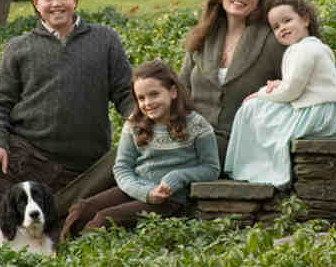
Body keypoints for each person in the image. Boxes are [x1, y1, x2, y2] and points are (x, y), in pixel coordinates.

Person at [0, 0, 134, 226]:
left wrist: (139, 119)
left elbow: (125, 92)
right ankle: (22, 226)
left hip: (83, 167)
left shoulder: (105, 39)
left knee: (95, 206)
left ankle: (47, 217)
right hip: (27, 156)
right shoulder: (19, 48)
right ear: (35, 3)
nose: (56, 4)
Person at [59, 59, 219, 239]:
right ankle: (62, 250)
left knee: (104, 219)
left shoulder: (197, 124)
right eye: (141, 98)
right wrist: (145, 192)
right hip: (137, 189)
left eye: (154, 94)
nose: (148, 103)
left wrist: (178, 177)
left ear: (173, 92)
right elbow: (122, 168)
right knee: (82, 208)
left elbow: (211, 169)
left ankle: (83, 251)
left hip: (169, 199)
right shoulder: (134, 125)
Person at [224, 0, 336, 188]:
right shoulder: (318, 47)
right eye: (276, 27)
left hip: (320, 117)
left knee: (252, 107)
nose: (282, 28)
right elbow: (307, 85)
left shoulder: (301, 50)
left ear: (305, 19)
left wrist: (262, 93)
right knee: (259, 107)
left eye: (287, 20)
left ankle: (249, 167)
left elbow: (290, 93)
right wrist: (279, 85)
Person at [179, 0, 285, 166]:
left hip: (238, 142)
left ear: (259, 0)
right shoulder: (203, 37)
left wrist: (280, 87)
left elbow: (294, 84)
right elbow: (181, 90)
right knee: (136, 147)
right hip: (191, 136)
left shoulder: (272, 41)